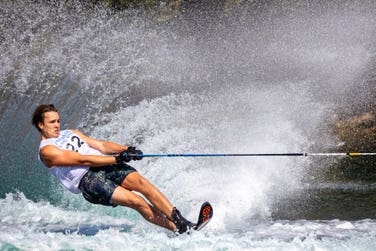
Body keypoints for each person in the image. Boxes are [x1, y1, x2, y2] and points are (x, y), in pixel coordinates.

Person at [32, 104, 195, 234]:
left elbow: (100, 145)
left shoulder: (69, 133)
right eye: (52, 122)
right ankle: (178, 229)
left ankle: (182, 221)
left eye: (58, 121)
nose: (57, 125)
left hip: (105, 164)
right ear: (41, 125)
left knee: (142, 183)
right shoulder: (46, 151)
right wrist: (117, 158)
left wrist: (125, 149)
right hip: (88, 180)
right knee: (136, 201)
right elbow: (83, 159)